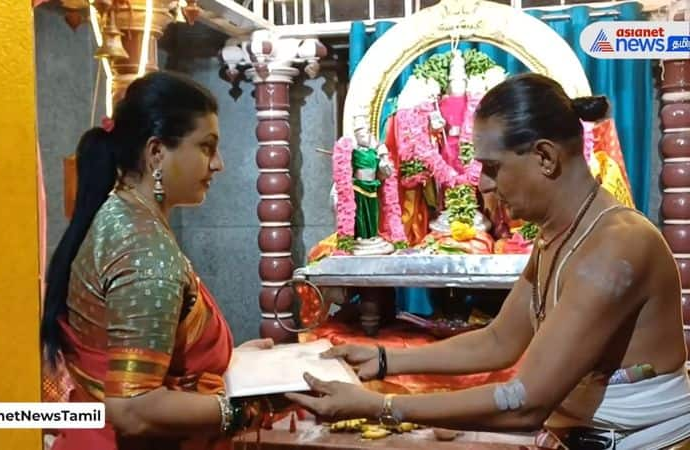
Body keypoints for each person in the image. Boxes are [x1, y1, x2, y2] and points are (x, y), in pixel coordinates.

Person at [286, 73, 690, 449]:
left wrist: (379, 406)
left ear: (545, 157)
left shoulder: (616, 246)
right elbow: (500, 340)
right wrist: (383, 359)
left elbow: (526, 403)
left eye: (492, 167)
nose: (482, 184)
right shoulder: (561, 235)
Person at [40, 71, 273, 450]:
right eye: (206, 147)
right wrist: (251, 410)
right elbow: (134, 410)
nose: (218, 165)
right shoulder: (144, 251)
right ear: (156, 153)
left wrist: (232, 361)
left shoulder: (121, 217)